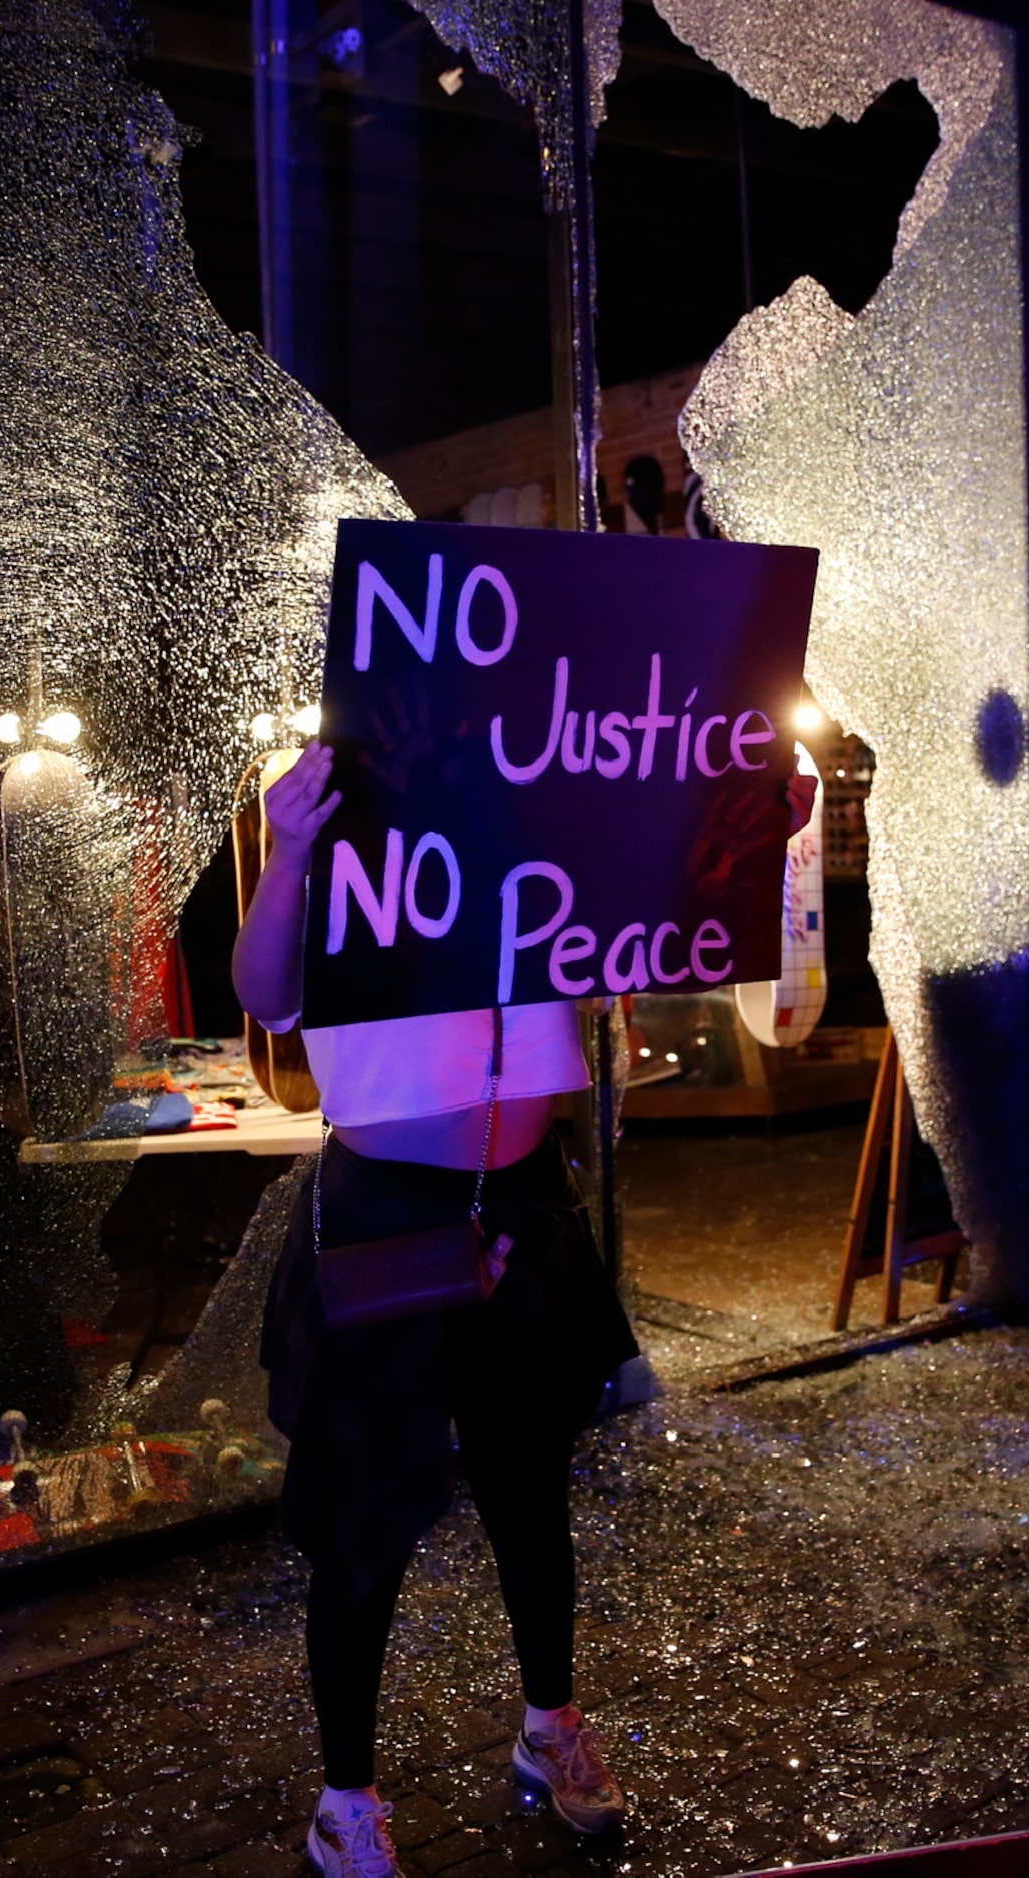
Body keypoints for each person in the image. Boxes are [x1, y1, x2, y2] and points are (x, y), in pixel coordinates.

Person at [236, 738, 813, 1877]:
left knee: (528, 1494)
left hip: (524, 1200)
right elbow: (265, 994)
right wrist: (292, 848)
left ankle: (552, 1726)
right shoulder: (331, 793)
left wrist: (759, 844)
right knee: (365, 1521)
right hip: (388, 1211)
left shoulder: (553, 800)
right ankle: (344, 1798)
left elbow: (666, 937)